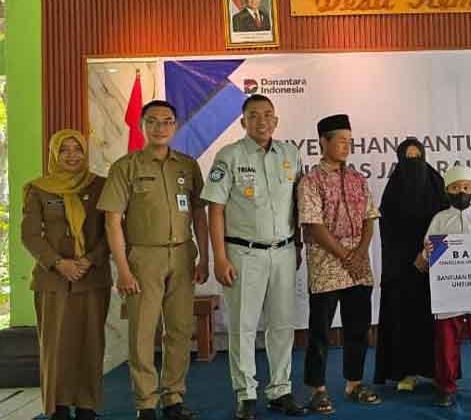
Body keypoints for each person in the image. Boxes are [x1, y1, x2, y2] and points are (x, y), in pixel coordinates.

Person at [97, 100, 210, 420]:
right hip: (143, 258)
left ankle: (173, 397)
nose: (160, 127)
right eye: (153, 121)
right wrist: (122, 269)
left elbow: (199, 215)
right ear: (142, 125)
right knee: (142, 332)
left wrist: (205, 258)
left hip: (183, 255)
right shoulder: (126, 167)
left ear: (176, 125)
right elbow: (112, 222)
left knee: (179, 329)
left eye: (167, 121)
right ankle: (145, 403)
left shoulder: (187, 166)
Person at [201, 94, 307, 419]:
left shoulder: (290, 154)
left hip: (284, 252)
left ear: (276, 120)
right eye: (254, 115)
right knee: (243, 327)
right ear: (242, 121)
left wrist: (298, 246)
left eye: (267, 115)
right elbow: (215, 210)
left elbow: (298, 205)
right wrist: (219, 258)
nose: (262, 121)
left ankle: (280, 390)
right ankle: (245, 393)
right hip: (243, 254)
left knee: (282, 325)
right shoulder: (229, 156)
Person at [21, 130, 111, 420]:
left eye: (78, 149)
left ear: (85, 152)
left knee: (91, 344)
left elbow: (112, 231)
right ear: (53, 154)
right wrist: (59, 263)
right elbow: (30, 235)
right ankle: (57, 407)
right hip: (53, 281)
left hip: (91, 278)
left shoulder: (101, 186)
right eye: (64, 149)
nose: (72, 155)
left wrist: (89, 260)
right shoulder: (38, 189)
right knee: (55, 346)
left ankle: (87, 406)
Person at [297, 114, 382, 414]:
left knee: (358, 327)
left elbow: (370, 218)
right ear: (324, 141)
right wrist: (346, 256)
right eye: (341, 141)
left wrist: (360, 253)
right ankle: (317, 389)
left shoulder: (358, 178)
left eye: (350, 141)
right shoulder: (310, 181)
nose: (347, 146)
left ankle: (354, 383)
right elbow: (314, 226)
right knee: (320, 330)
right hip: (327, 262)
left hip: (359, 263)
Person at [418, 165, 471, 408]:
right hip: (449, 294)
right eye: (455, 188)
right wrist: (427, 252)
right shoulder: (439, 220)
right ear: (447, 191)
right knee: (446, 343)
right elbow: (426, 256)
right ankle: (446, 387)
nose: (461, 192)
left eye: (466, 187)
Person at [374, 138, 448, 391]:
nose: (414, 163)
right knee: (404, 319)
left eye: (418, 157)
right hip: (403, 269)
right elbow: (388, 231)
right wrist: (409, 258)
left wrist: (427, 255)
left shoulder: (437, 184)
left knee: (436, 322)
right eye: (408, 158)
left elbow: (447, 222)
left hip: (434, 266)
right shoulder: (393, 190)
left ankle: (439, 371)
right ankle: (407, 372)